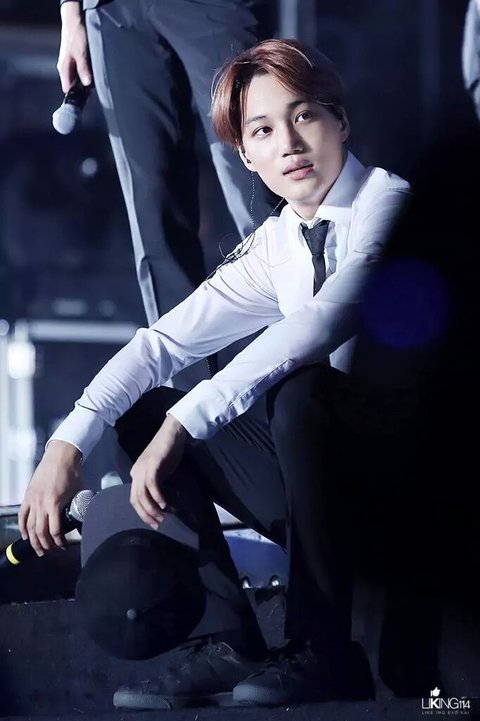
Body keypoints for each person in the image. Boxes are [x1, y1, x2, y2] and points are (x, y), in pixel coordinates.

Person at [19, 39, 411, 708]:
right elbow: (161, 344)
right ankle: (228, 640)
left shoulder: (388, 203)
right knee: (142, 411)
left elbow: (324, 321)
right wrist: (68, 443)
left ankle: (324, 647)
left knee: (303, 391)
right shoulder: (279, 242)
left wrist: (187, 419)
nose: (289, 143)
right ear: (245, 156)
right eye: (263, 130)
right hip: (327, 502)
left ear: (340, 121)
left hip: (415, 491)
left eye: (304, 115)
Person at [58, 0, 280, 390]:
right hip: (111, 12)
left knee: (256, 182)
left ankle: (305, 366)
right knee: (154, 218)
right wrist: (70, 14)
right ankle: (190, 405)